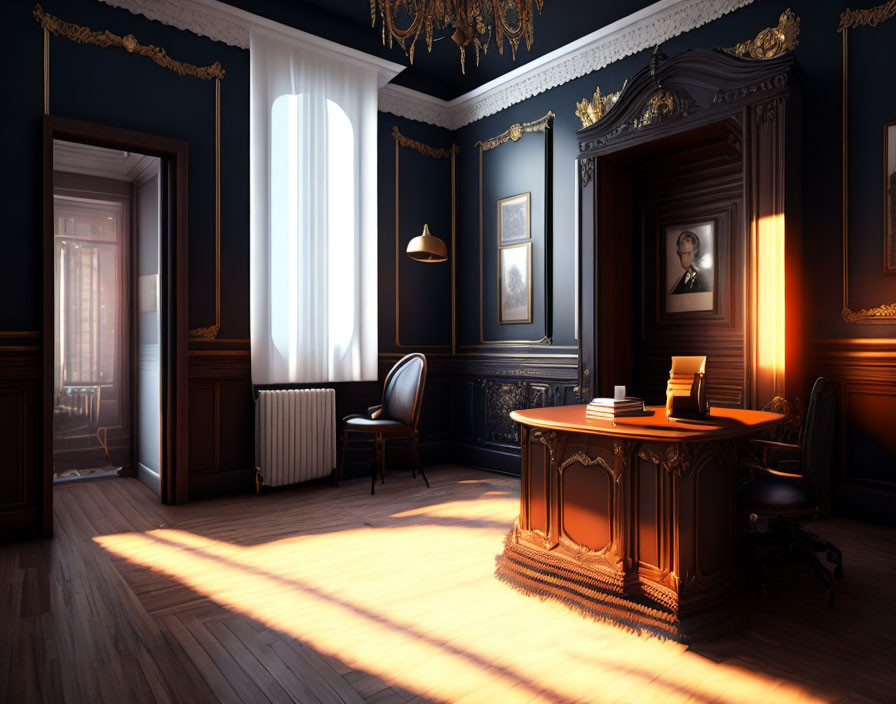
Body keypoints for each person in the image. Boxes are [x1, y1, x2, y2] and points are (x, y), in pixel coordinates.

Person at [670, 230, 710, 295]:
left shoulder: (696, 277)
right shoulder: (688, 274)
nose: (681, 257)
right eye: (682, 253)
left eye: (685, 253)